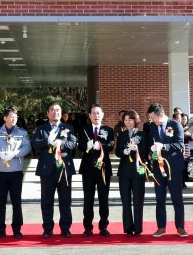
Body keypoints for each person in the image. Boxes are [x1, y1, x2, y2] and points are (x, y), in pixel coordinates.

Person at [32, 102, 77, 238]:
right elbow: (35, 144)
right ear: (47, 113)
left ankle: (65, 228)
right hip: (47, 170)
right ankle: (47, 228)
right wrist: (48, 142)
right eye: (52, 110)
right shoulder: (41, 128)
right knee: (46, 201)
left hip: (63, 168)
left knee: (65, 200)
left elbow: (73, 144)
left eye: (57, 110)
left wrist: (61, 143)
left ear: (61, 112)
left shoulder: (68, 127)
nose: (55, 112)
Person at [0, 106, 32, 240]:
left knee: (16, 202)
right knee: (0, 202)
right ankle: (0, 229)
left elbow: (27, 147)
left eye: (16, 117)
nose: (14, 119)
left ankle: (17, 229)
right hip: (0, 172)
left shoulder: (22, 132)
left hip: (16, 172)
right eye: (11, 117)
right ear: (5, 118)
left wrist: (15, 153)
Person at [146, 103, 188, 237]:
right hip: (158, 168)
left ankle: (180, 227)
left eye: (153, 117)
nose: (151, 120)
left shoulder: (175, 125)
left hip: (174, 167)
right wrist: (151, 150)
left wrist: (163, 146)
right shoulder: (151, 126)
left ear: (161, 115)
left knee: (177, 198)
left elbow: (180, 144)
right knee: (159, 199)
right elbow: (149, 143)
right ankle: (161, 227)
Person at [78, 104, 115, 237]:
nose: (96, 115)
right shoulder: (84, 129)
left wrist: (101, 146)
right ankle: (88, 227)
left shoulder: (108, 129)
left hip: (103, 168)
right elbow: (80, 145)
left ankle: (103, 226)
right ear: (89, 115)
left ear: (103, 115)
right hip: (88, 169)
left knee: (103, 198)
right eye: (93, 113)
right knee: (88, 198)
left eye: (99, 113)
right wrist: (86, 146)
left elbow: (111, 144)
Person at [117, 110, 146, 236]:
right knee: (126, 200)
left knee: (138, 200)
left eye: (130, 119)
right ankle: (128, 227)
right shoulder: (122, 135)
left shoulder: (142, 134)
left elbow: (146, 152)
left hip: (138, 171)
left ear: (135, 120)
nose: (128, 122)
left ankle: (138, 228)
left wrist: (137, 149)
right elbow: (117, 152)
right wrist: (124, 152)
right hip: (124, 172)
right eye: (126, 119)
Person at [180, 113, 191, 188]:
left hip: (186, 148)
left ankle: (184, 182)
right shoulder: (178, 126)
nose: (184, 120)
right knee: (180, 166)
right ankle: (180, 182)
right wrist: (183, 134)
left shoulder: (189, 127)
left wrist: (189, 135)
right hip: (180, 148)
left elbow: (191, 138)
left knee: (185, 166)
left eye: (185, 119)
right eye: (183, 119)